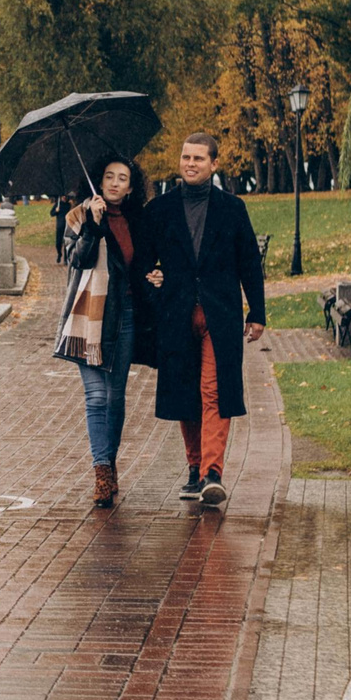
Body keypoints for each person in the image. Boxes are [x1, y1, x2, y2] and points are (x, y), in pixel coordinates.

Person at [139, 132, 268, 508]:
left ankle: (214, 473)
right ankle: (194, 470)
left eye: (198, 158)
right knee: (185, 393)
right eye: (185, 157)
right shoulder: (159, 210)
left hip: (220, 315)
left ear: (214, 164)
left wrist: (256, 313)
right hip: (177, 314)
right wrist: (154, 283)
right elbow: (142, 263)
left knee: (213, 391)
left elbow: (249, 263)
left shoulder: (232, 208)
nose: (190, 164)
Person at [54, 156, 151, 509]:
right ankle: (101, 472)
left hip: (124, 314)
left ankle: (109, 461)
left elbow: (140, 264)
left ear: (130, 186)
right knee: (96, 396)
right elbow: (76, 260)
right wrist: (93, 226)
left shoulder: (135, 219)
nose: (114, 183)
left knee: (116, 396)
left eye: (122, 178)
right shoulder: (78, 216)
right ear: (98, 180)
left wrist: (152, 275)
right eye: (108, 176)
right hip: (88, 314)